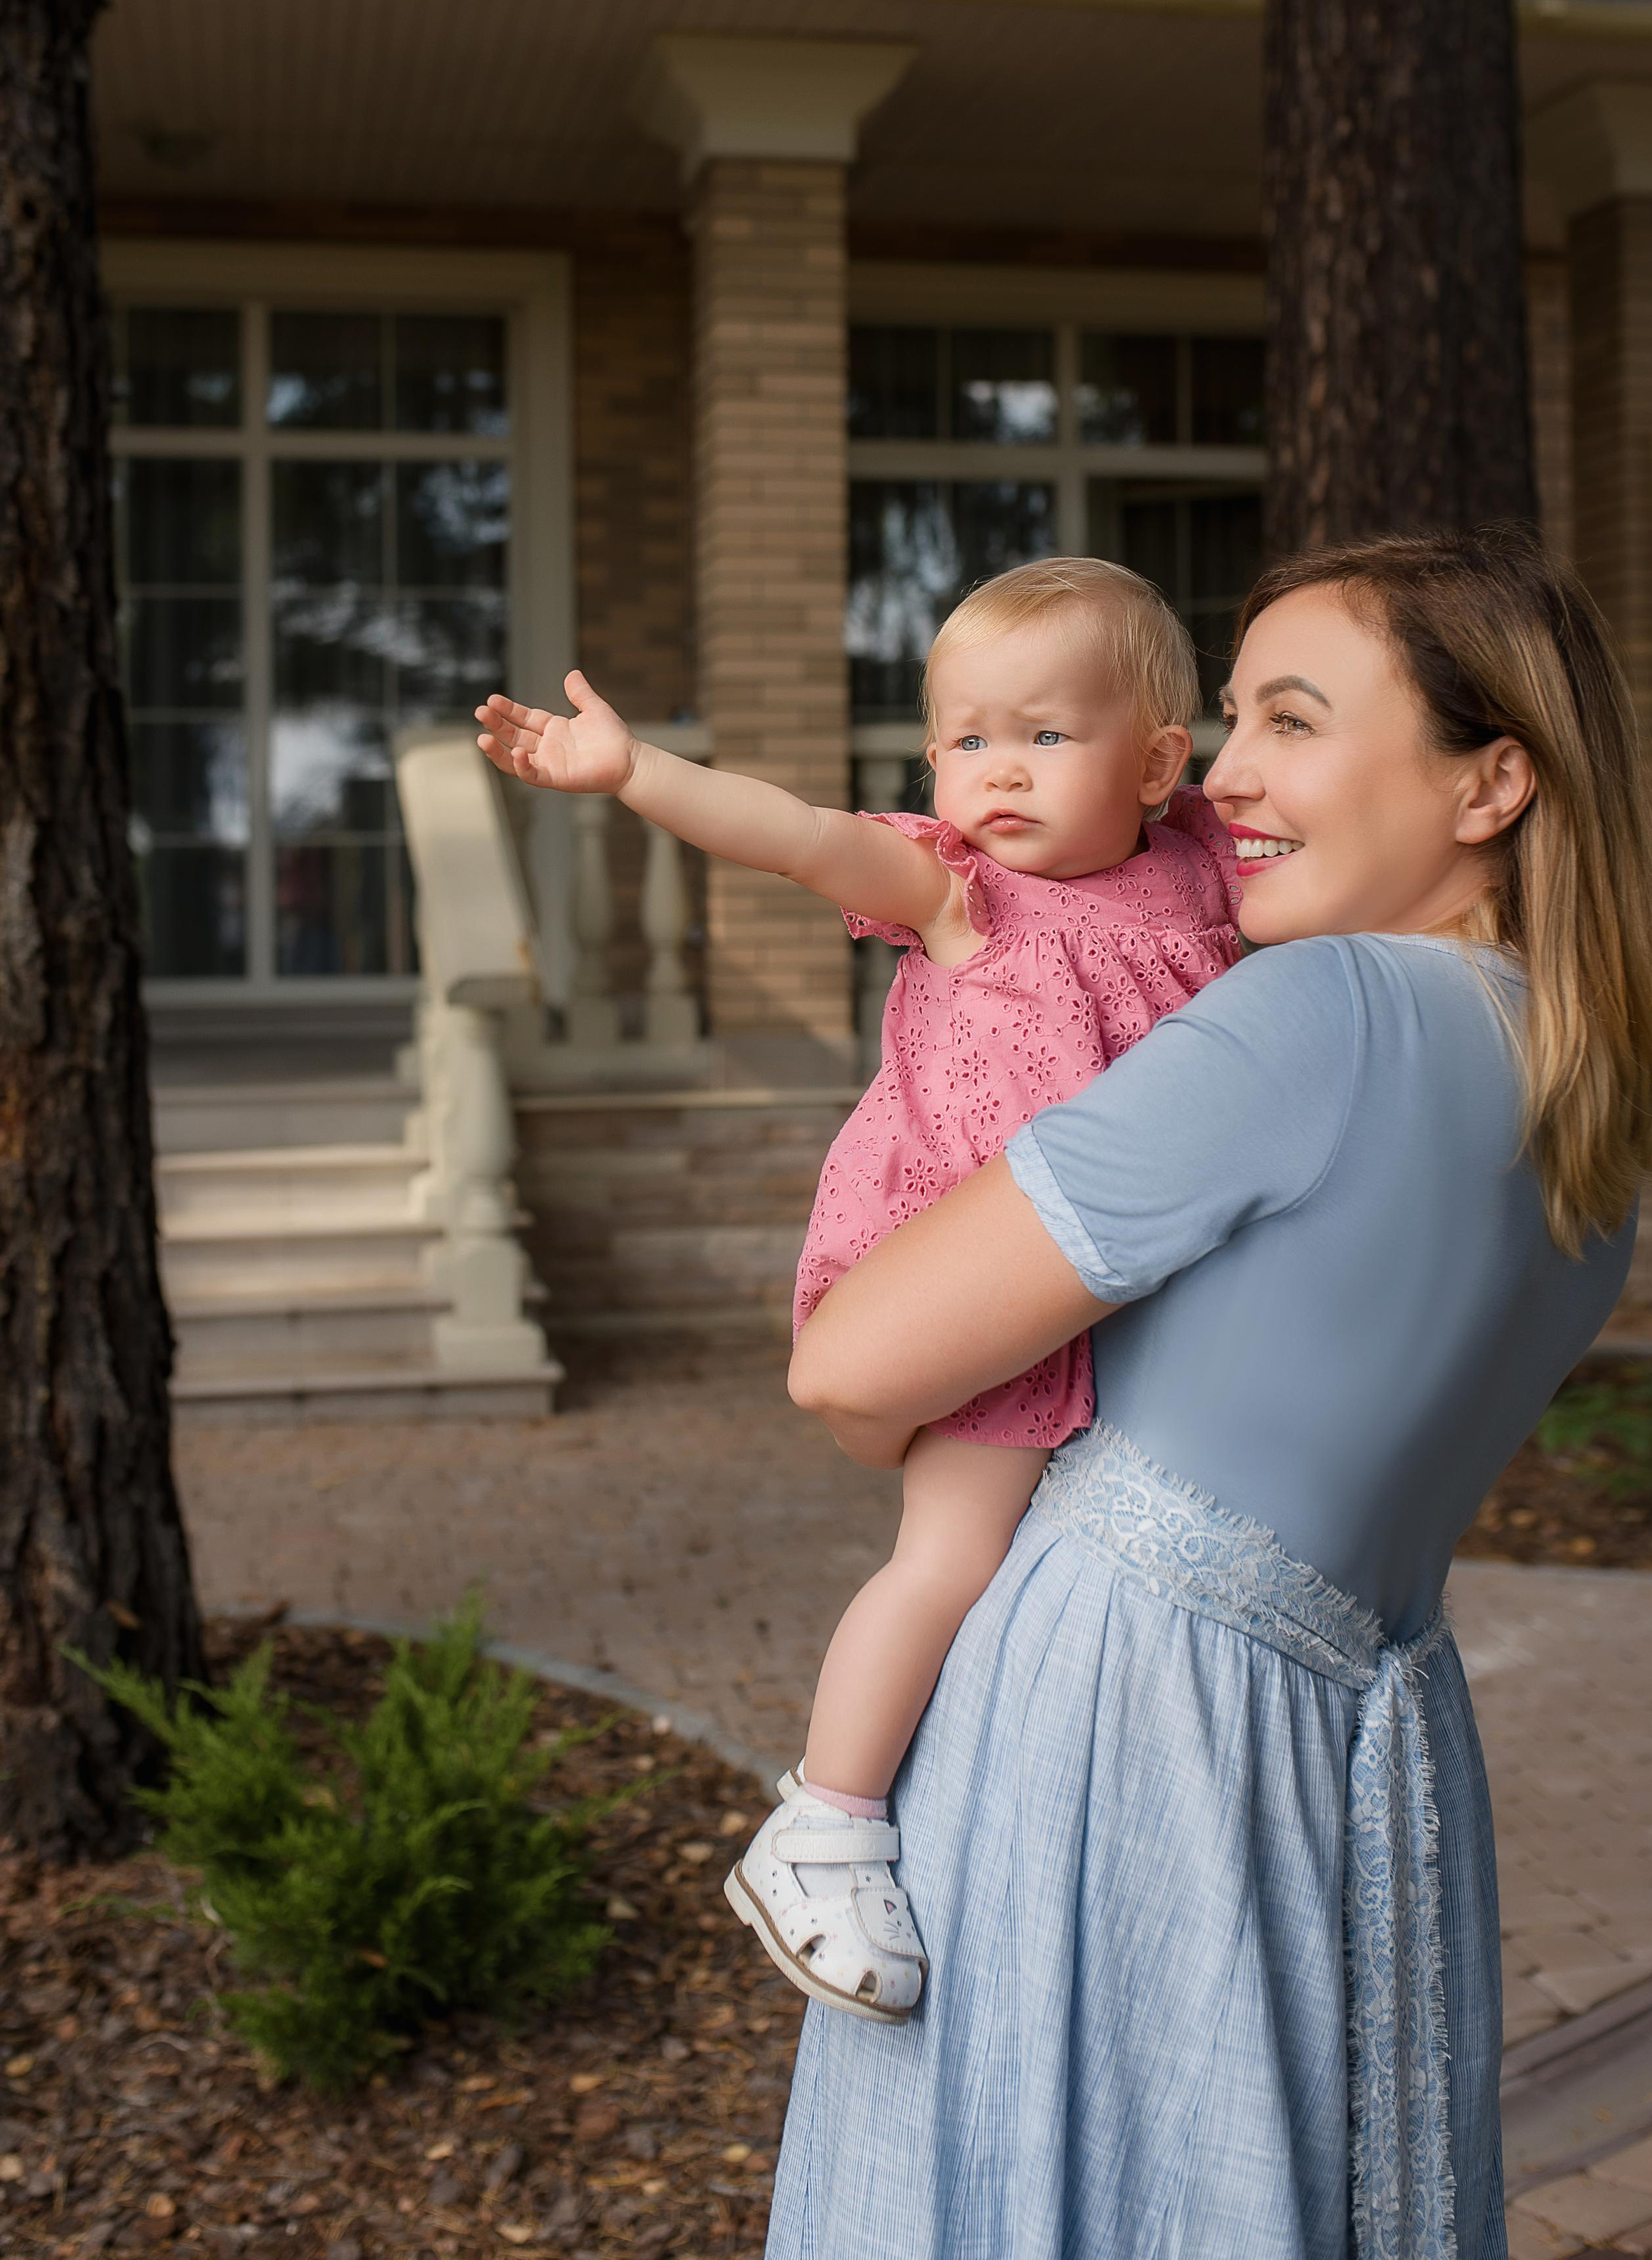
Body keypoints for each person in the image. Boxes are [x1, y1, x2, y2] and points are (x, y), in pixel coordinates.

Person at [771, 527, 1652, 2260]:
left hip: (1117, 1720)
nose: (1224, 775)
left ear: (1489, 782)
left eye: (1289, 719)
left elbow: (846, 1368)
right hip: (1359, 1723)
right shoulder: (1588, 1098)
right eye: (1228, 718)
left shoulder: (1318, 1014)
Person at [474, 559, 1240, 2018]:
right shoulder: (962, 893)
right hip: (970, 1286)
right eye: (966, 738)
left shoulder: (1201, 872)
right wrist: (635, 774)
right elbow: (802, 838)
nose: (997, 770)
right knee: (946, 1558)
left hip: (1132, 1287)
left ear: (1156, 765)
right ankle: (824, 1824)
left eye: (1046, 735)